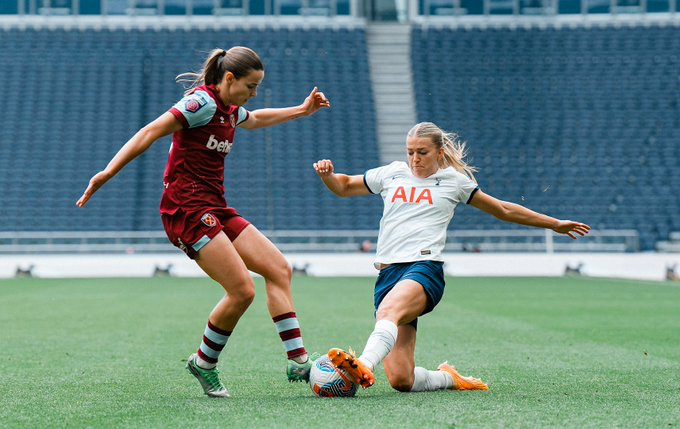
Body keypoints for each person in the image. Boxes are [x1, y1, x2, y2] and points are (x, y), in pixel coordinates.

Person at [76, 47, 330, 398]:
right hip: (185, 210)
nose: (254, 93)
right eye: (251, 86)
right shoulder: (202, 104)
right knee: (242, 290)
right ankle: (204, 362)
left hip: (214, 207)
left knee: (278, 268)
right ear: (229, 79)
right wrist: (107, 172)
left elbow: (255, 119)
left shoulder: (228, 109)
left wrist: (302, 110)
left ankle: (298, 360)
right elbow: (150, 131)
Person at [313, 122, 590, 393]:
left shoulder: (454, 182)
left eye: (422, 152)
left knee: (388, 312)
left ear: (439, 153)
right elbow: (346, 185)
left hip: (424, 269)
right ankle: (448, 378)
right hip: (388, 274)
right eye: (410, 151)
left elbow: (503, 209)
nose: (414, 158)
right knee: (401, 380)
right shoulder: (392, 173)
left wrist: (554, 224)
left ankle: (364, 363)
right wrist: (327, 176)